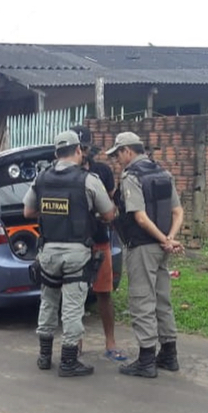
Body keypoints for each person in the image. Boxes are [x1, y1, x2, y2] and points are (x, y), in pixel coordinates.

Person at [23, 130, 116, 377]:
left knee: (48, 302)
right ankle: (68, 361)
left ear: (56, 153)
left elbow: (28, 212)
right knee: (73, 307)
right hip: (76, 253)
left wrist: (52, 212)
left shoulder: (41, 178)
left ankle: (44, 357)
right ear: (77, 150)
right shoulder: (88, 180)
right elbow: (109, 214)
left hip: (48, 252)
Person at [107, 131, 184, 378]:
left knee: (142, 300)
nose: (117, 160)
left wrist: (163, 239)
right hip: (162, 249)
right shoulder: (163, 173)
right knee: (162, 299)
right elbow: (178, 212)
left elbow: (139, 217)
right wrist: (169, 239)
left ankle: (146, 360)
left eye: (118, 155)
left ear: (127, 151)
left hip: (142, 246)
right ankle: (169, 354)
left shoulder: (132, 176)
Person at [69, 124, 128, 363]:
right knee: (74, 296)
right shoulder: (62, 173)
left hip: (100, 240)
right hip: (74, 242)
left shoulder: (101, 171)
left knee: (104, 293)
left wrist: (109, 215)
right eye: (79, 148)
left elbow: (113, 204)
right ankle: (75, 344)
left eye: (85, 148)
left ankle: (110, 343)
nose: (82, 152)